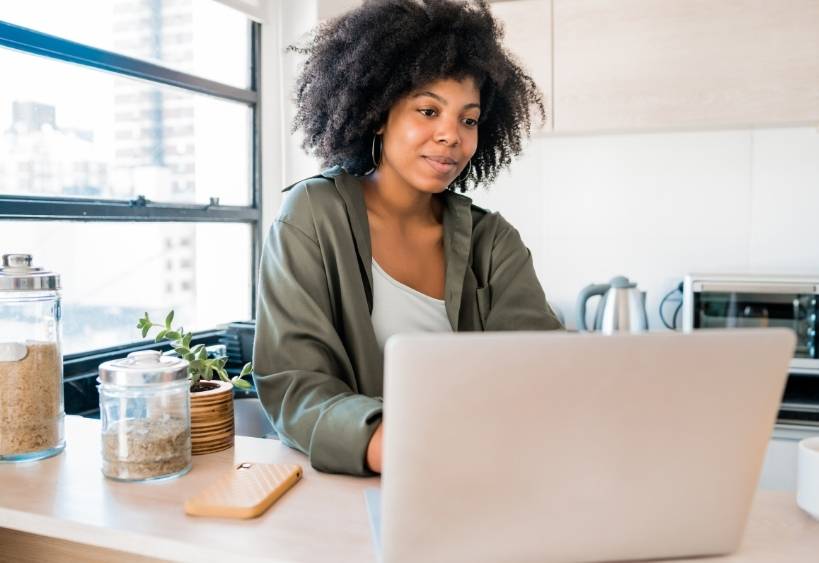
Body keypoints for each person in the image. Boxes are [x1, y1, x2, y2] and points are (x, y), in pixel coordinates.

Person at [252, 0, 563, 477]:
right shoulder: (313, 217)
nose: (451, 136)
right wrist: (393, 447)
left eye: (468, 119)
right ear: (379, 113)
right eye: (428, 110)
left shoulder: (492, 240)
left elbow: (543, 369)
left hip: (481, 474)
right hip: (360, 486)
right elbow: (295, 386)